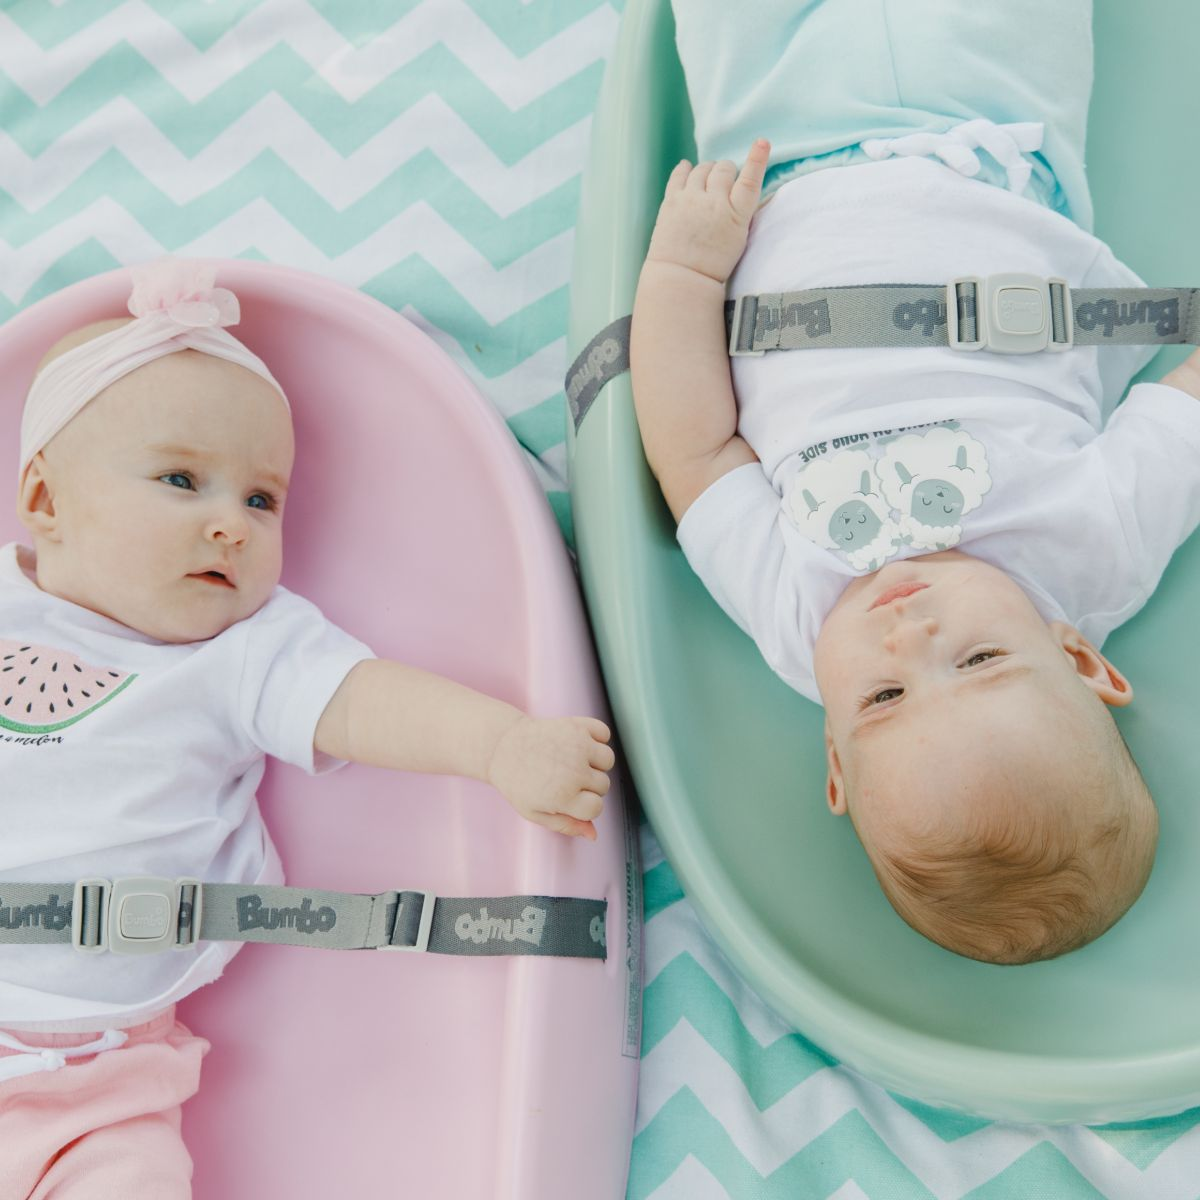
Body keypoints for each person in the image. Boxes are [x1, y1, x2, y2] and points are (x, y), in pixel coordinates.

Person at [0, 257, 614, 1196]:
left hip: (99, 1086)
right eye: (180, 479)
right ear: (45, 502)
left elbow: (368, 700)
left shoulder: (242, 649)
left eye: (261, 498)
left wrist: (501, 746)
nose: (232, 526)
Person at [632, 0, 1200, 968]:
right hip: (986, 128)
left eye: (885, 696)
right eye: (979, 662)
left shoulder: (793, 617)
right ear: (1081, 663)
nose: (910, 633)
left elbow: (695, 452)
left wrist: (684, 269)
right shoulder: (1095, 553)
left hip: (773, 158)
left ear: (836, 765)